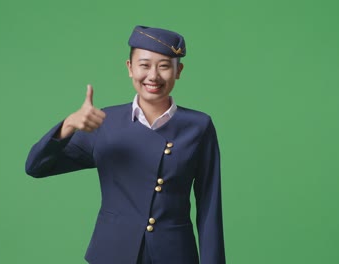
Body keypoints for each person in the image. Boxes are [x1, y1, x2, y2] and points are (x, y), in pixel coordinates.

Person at [25, 25, 225, 264]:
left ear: (178, 70)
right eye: (144, 65)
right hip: (113, 254)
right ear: (130, 68)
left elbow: (209, 206)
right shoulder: (103, 122)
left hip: (174, 254)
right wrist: (67, 126)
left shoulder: (199, 126)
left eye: (163, 66)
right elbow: (36, 167)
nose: (153, 76)